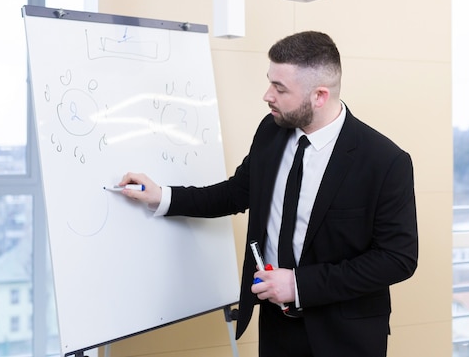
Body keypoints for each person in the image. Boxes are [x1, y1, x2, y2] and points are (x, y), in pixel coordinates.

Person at [118, 31, 418, 357]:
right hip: (276, 325)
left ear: (319, 96)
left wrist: (299, 285)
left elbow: (397, 259)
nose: (267, 95)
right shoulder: (270, 131)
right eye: (270, 82)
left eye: (280, 88)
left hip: (345, 336)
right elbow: (237, 193)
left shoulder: (385, 161)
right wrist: (163, 196)